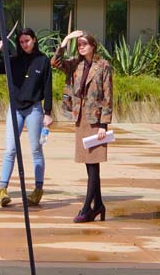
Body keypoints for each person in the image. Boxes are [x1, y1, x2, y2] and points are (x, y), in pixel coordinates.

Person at [51, 30, 113, 224]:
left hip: (95, 120)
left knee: (93, 165)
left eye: (84, 43)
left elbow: (108, 95)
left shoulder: (103, 66)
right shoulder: (75, 64)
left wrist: (104, 124)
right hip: (81, 119)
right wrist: (65, 41)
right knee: (89, 164)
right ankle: (99, 205)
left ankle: (87, 208)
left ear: (93, 45)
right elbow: (55, 62)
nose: (81, 47)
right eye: (79, 44)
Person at [0, 28, 53, 208]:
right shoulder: (13, 60)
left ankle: (38, 189)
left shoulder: (42, 60)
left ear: (34, 40)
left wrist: (48, 112)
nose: (24, 44)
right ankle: (2, 189)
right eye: (21, 42)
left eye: (27, 41)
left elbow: (47, 87)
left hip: (34, 109)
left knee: (36, 149)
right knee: (10, 149)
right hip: (15, 109)